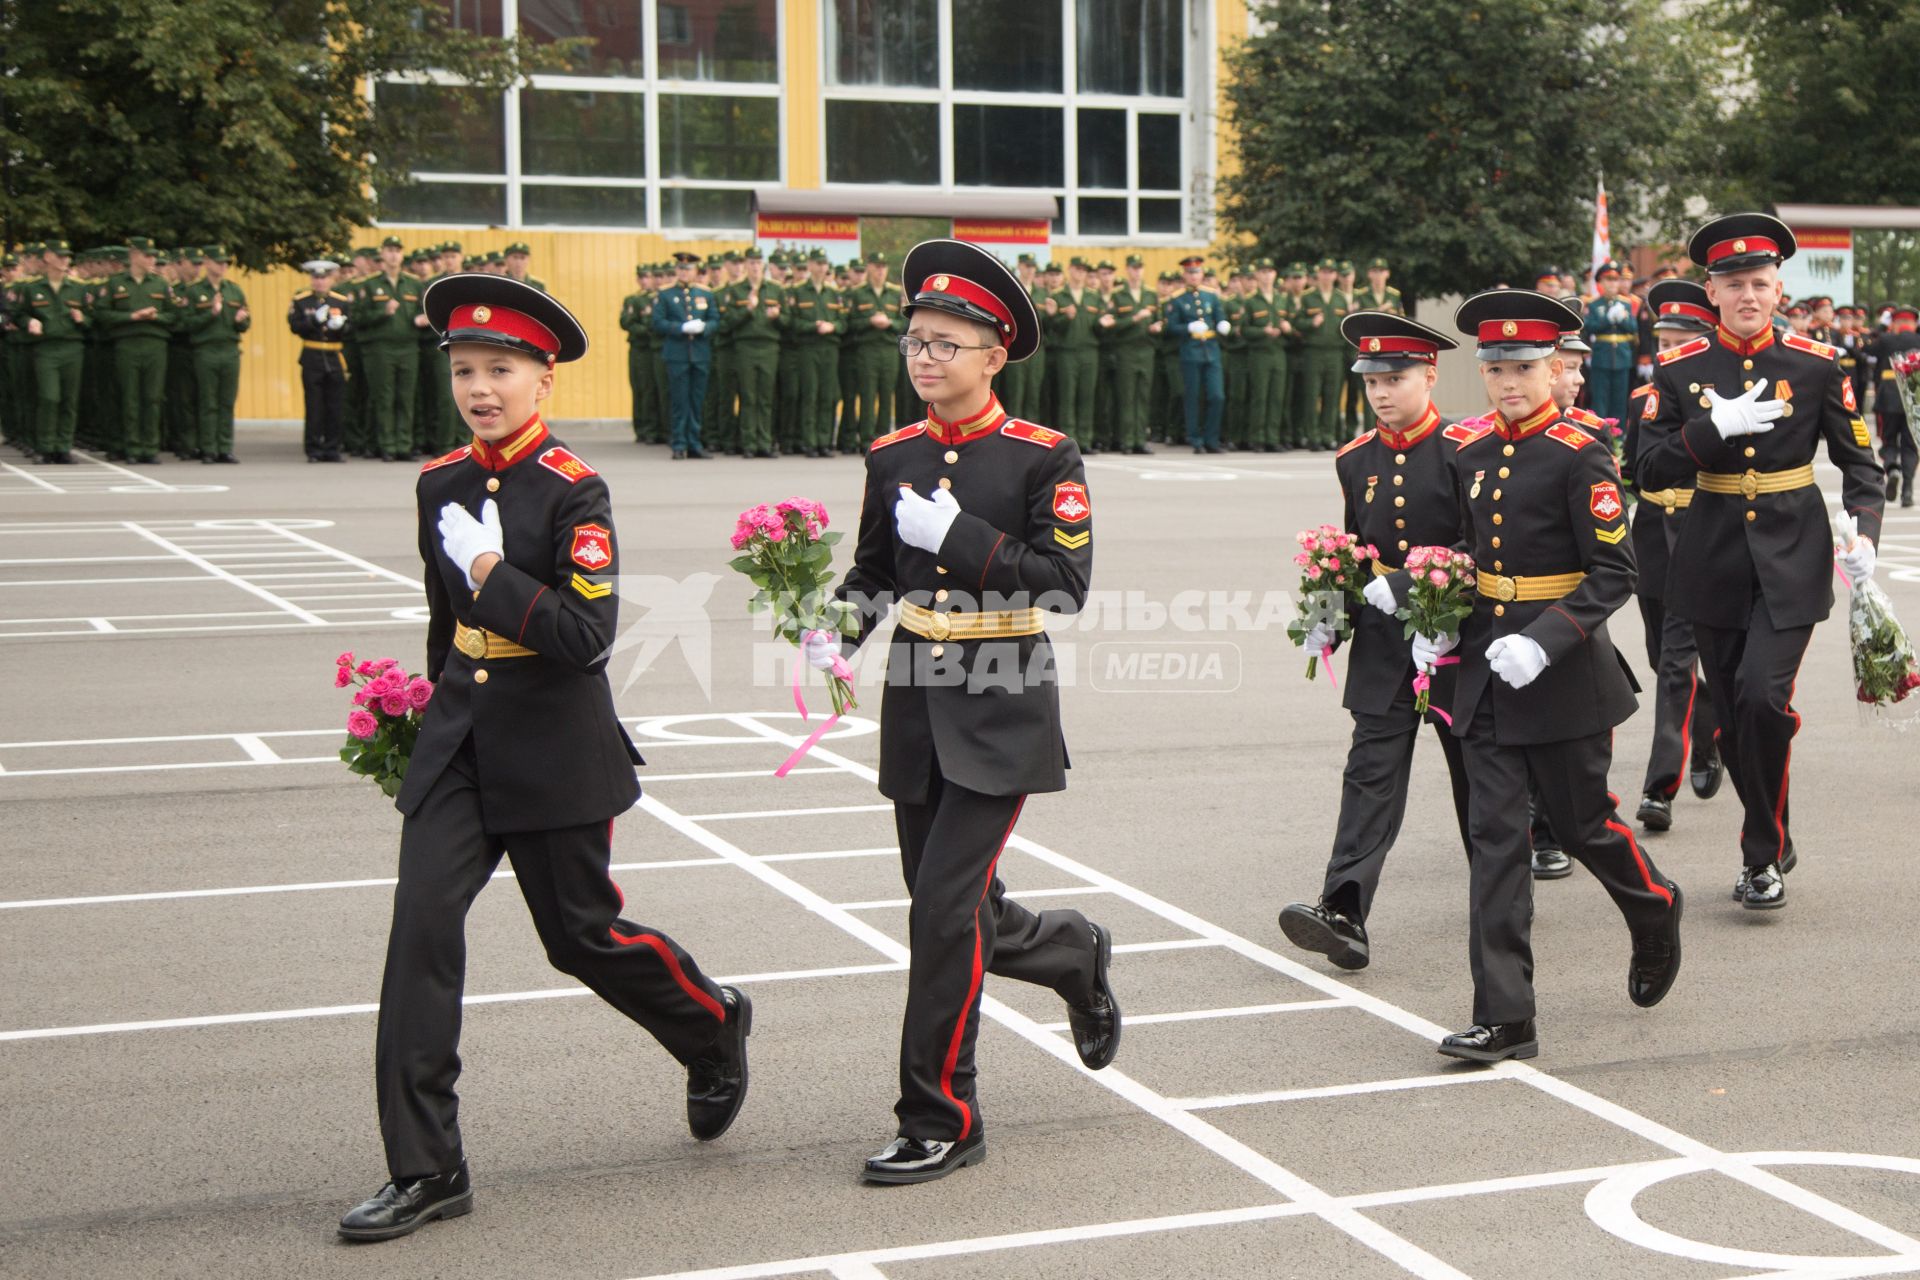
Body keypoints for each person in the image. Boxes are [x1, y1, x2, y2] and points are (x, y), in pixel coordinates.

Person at [338, 275, 749, 1243]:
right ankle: (427, 1164)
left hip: (555, 740)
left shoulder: (575, 489)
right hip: (461, 743)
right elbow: (445, 624)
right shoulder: (440, 481)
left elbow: (583, 635)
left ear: (542, 378)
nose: (482, 387)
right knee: (420, 936)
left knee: (580, 936)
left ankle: (708, 1022)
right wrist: (425, 708)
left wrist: (491, 569)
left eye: (502, 369)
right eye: (467, 370)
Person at [806, 239, 1119, 1185]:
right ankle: (1069, 951)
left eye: (947, 343)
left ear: (994, 356)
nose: (926, 357)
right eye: (916, 340)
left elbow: (1065, 589)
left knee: (942, 914)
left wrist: (961, 536)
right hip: (916, 703)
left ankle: (941, 1115)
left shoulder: (1040, 457)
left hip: (1000, 703)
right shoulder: (892, 453)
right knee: (960, 907)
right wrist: (835, 631)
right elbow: (873, 571)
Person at [1429, 289, 1683, 1063]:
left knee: (1583, 825)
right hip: (1482, 672)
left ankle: (1653, 906)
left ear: (1555, 369)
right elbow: (1459, 551)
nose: (1509, 382)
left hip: (1561, 670)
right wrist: (1434, 617)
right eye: (1497, 367)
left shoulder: (1584, 454)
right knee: (1495, 840)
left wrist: (1546, 639)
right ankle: (1508, 1016)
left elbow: (1614, 571)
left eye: (1525, 367)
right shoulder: (1466, 450)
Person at [1637, 214, 1886, 909]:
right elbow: (1646, 464)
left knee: (1761, 698)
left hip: (1792, 555)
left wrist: (1864, 531)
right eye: (1733, 284)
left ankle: (1759, 857)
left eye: (1760, 283)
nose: (1748, 295)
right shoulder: (1683, 368)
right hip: (1712, 554)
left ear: (1780, 290)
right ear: (1711, 293)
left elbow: (1860, 465)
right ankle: (1774, 826)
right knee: (1728, 722)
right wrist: (1708, 430)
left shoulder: (1815, 364)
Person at [1279, 312, 1475, 971]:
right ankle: (1344, 909)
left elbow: (1486, 545)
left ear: (1429, 374)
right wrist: (1329, 612)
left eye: (1396, 379)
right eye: (1373, 383)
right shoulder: (1354, 458)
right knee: (1369, 776)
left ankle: (1503, 893)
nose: (1383, 393)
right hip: (1387, 650)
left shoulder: (1464, 450)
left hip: (1457, 644)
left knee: (1479, 778)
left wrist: (1432, 590)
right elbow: (1355, 549)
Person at [1619, 279, 1724, 831]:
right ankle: (1708, 732)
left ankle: (1660, 786)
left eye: (1682, 337)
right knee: (1663, 658)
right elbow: (1634, 469)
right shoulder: (1643, 397)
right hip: (1653, 534)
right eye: (1665, 338)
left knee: (1677, 662)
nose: (1669, 348)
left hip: (1701, 530)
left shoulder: (1720, 395)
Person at [352, 235, 427, 461]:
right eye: (389, 250)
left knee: (406, 397)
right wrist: (381, 312)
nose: (393, 255)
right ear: (382, 255)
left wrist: (422, 319)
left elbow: (424, 310)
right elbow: (357, 317)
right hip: (381, 348)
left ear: (402, 255)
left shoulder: (413, 284)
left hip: (408, 347)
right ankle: (387, 445)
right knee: (384, 398)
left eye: (397, 250)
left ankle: (403, 445)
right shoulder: (370, 284)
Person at [17, 238, 88, 463]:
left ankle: (63, 446)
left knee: (69, 399)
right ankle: (45, 446)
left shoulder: (77, 288)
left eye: (67, 256)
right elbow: (17, 314)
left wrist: (83, 318)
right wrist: (29, 321)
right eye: (60, 256)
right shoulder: (32, 288)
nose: (65, 260)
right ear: (47, 257)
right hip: (46, 347)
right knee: (49, 397)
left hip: (72, 346)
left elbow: (93, 318)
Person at [288, 259, 352, 462]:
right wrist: (313, 321)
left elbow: (352, 329)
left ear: (331, 279)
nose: (320, 282)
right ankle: (314, 449)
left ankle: (332, 448)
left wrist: (340, 326)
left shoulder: (340, 301)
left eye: (323, 278)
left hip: (335, 357)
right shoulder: (301, 300)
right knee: (314, 405)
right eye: (316, 278)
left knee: (335, 405)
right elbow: (295, 326)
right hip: (312, 356)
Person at [653, 250, 715, 460]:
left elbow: (716, 320)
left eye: (688, 269)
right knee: (680, 401)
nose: (684, 272)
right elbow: (657, 322)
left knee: (697, 401)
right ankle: (679, 444)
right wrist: (681, 328)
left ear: (695, 271)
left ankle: (695, 443)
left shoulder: (705, 293)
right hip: (677, 355)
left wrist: (703, 328)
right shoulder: (666, 294)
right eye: (680, 268)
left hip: (700, 354)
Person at [1165, 255, 1227, 453]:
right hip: (1191, 351)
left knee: (1217, 396)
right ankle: (1196, 439)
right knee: (1193, 396)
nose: (1194, 276)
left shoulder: (1211, 295)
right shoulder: (1177, 298)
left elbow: (1219, 316)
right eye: (1190, 272)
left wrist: (1223, 324)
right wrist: (1188, 327)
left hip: (1211, 350)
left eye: (1197, 272)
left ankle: (1212, 438)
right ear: (1185, 275)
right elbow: (1171, 327)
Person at [1293, 258, 1350, 449]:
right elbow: (1297, 323)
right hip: (1313, 352)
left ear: (1335, 275)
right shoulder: (1308, 297)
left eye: (1330, 272)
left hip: (1335, 352)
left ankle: (1328, 435)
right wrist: (1311, 323)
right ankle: (1313, 437)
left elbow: (1346, 326)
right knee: (1312, 395)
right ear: (1318, 274)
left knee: (1332, 396)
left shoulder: (1340, 298)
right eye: (1323, 272)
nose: (1327, 276)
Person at [1869, 304, 1918, 506]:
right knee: (1911, 445)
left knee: (1888, 440)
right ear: (1914, 324)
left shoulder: (1887, 339)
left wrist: (1881, 329)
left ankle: (1892, 468)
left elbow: (1866, 349)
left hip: (1889, 396)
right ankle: (1907, 491)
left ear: (1896, 323)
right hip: (1914, 398)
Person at [1582, 260, 1639, 423]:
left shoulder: (1626, 304)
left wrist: (1621, 320)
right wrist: (1608, 319)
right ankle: (1600, 435)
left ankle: (1619, 438)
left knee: (1620, 401)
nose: (1613, 284)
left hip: (1622, 356)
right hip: (1602, 356)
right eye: (1609, 280)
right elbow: (1589, 327)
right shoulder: (1594, 304)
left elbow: (1633, 328)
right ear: (1600, 282)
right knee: (1600, 399)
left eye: (1615, 280)